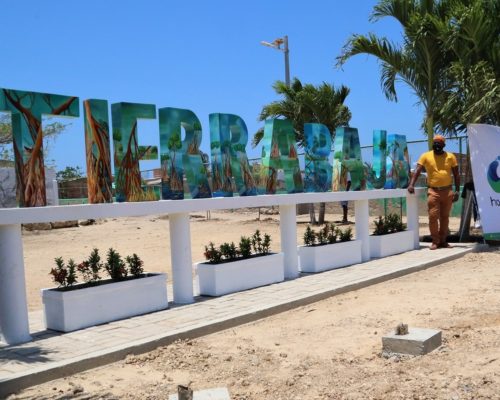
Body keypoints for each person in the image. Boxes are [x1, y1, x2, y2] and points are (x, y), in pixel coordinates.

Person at [407, 135, 460, 250]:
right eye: (435, 143)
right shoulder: (425, 156)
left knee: (445, 217)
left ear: (443, 145)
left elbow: (456, 174)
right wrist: (411, 184)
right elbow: (417, 171)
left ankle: (443, 241)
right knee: (433, 216)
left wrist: (457, 191)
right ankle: (435, 241)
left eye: (439, 143)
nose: (437, 145)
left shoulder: (451, 157)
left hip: (448, 191)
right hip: (433, 191)